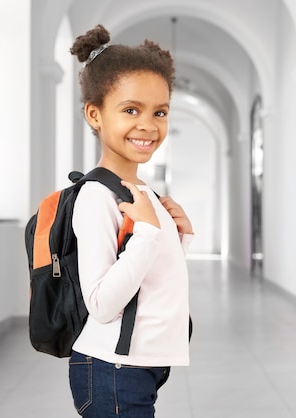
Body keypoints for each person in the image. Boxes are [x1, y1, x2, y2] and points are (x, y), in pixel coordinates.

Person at [67, 24, 193, 417]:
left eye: (160, 112)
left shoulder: (144, 194)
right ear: (95, 114)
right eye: (130, 110)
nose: (148, 124)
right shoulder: (96, 197)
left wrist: (179, 235)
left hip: (142, 364)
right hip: (112, 368)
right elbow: (103, 304)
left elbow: (151, 275)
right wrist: (149, 233)